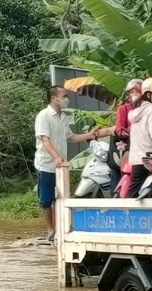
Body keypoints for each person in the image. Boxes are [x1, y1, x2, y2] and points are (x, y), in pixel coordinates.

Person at [34, 83, 109, 243]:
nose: (66, 99)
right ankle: (50, 230)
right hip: (47, 164)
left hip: (62, 166)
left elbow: (70, 137)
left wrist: (88, 135)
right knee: (46, 200)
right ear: (54, 98)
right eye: (64, 96)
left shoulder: (63, 117)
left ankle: (60, 228)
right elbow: (45, 140)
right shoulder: (43, 116)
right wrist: (55, 157)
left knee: (61, 198)